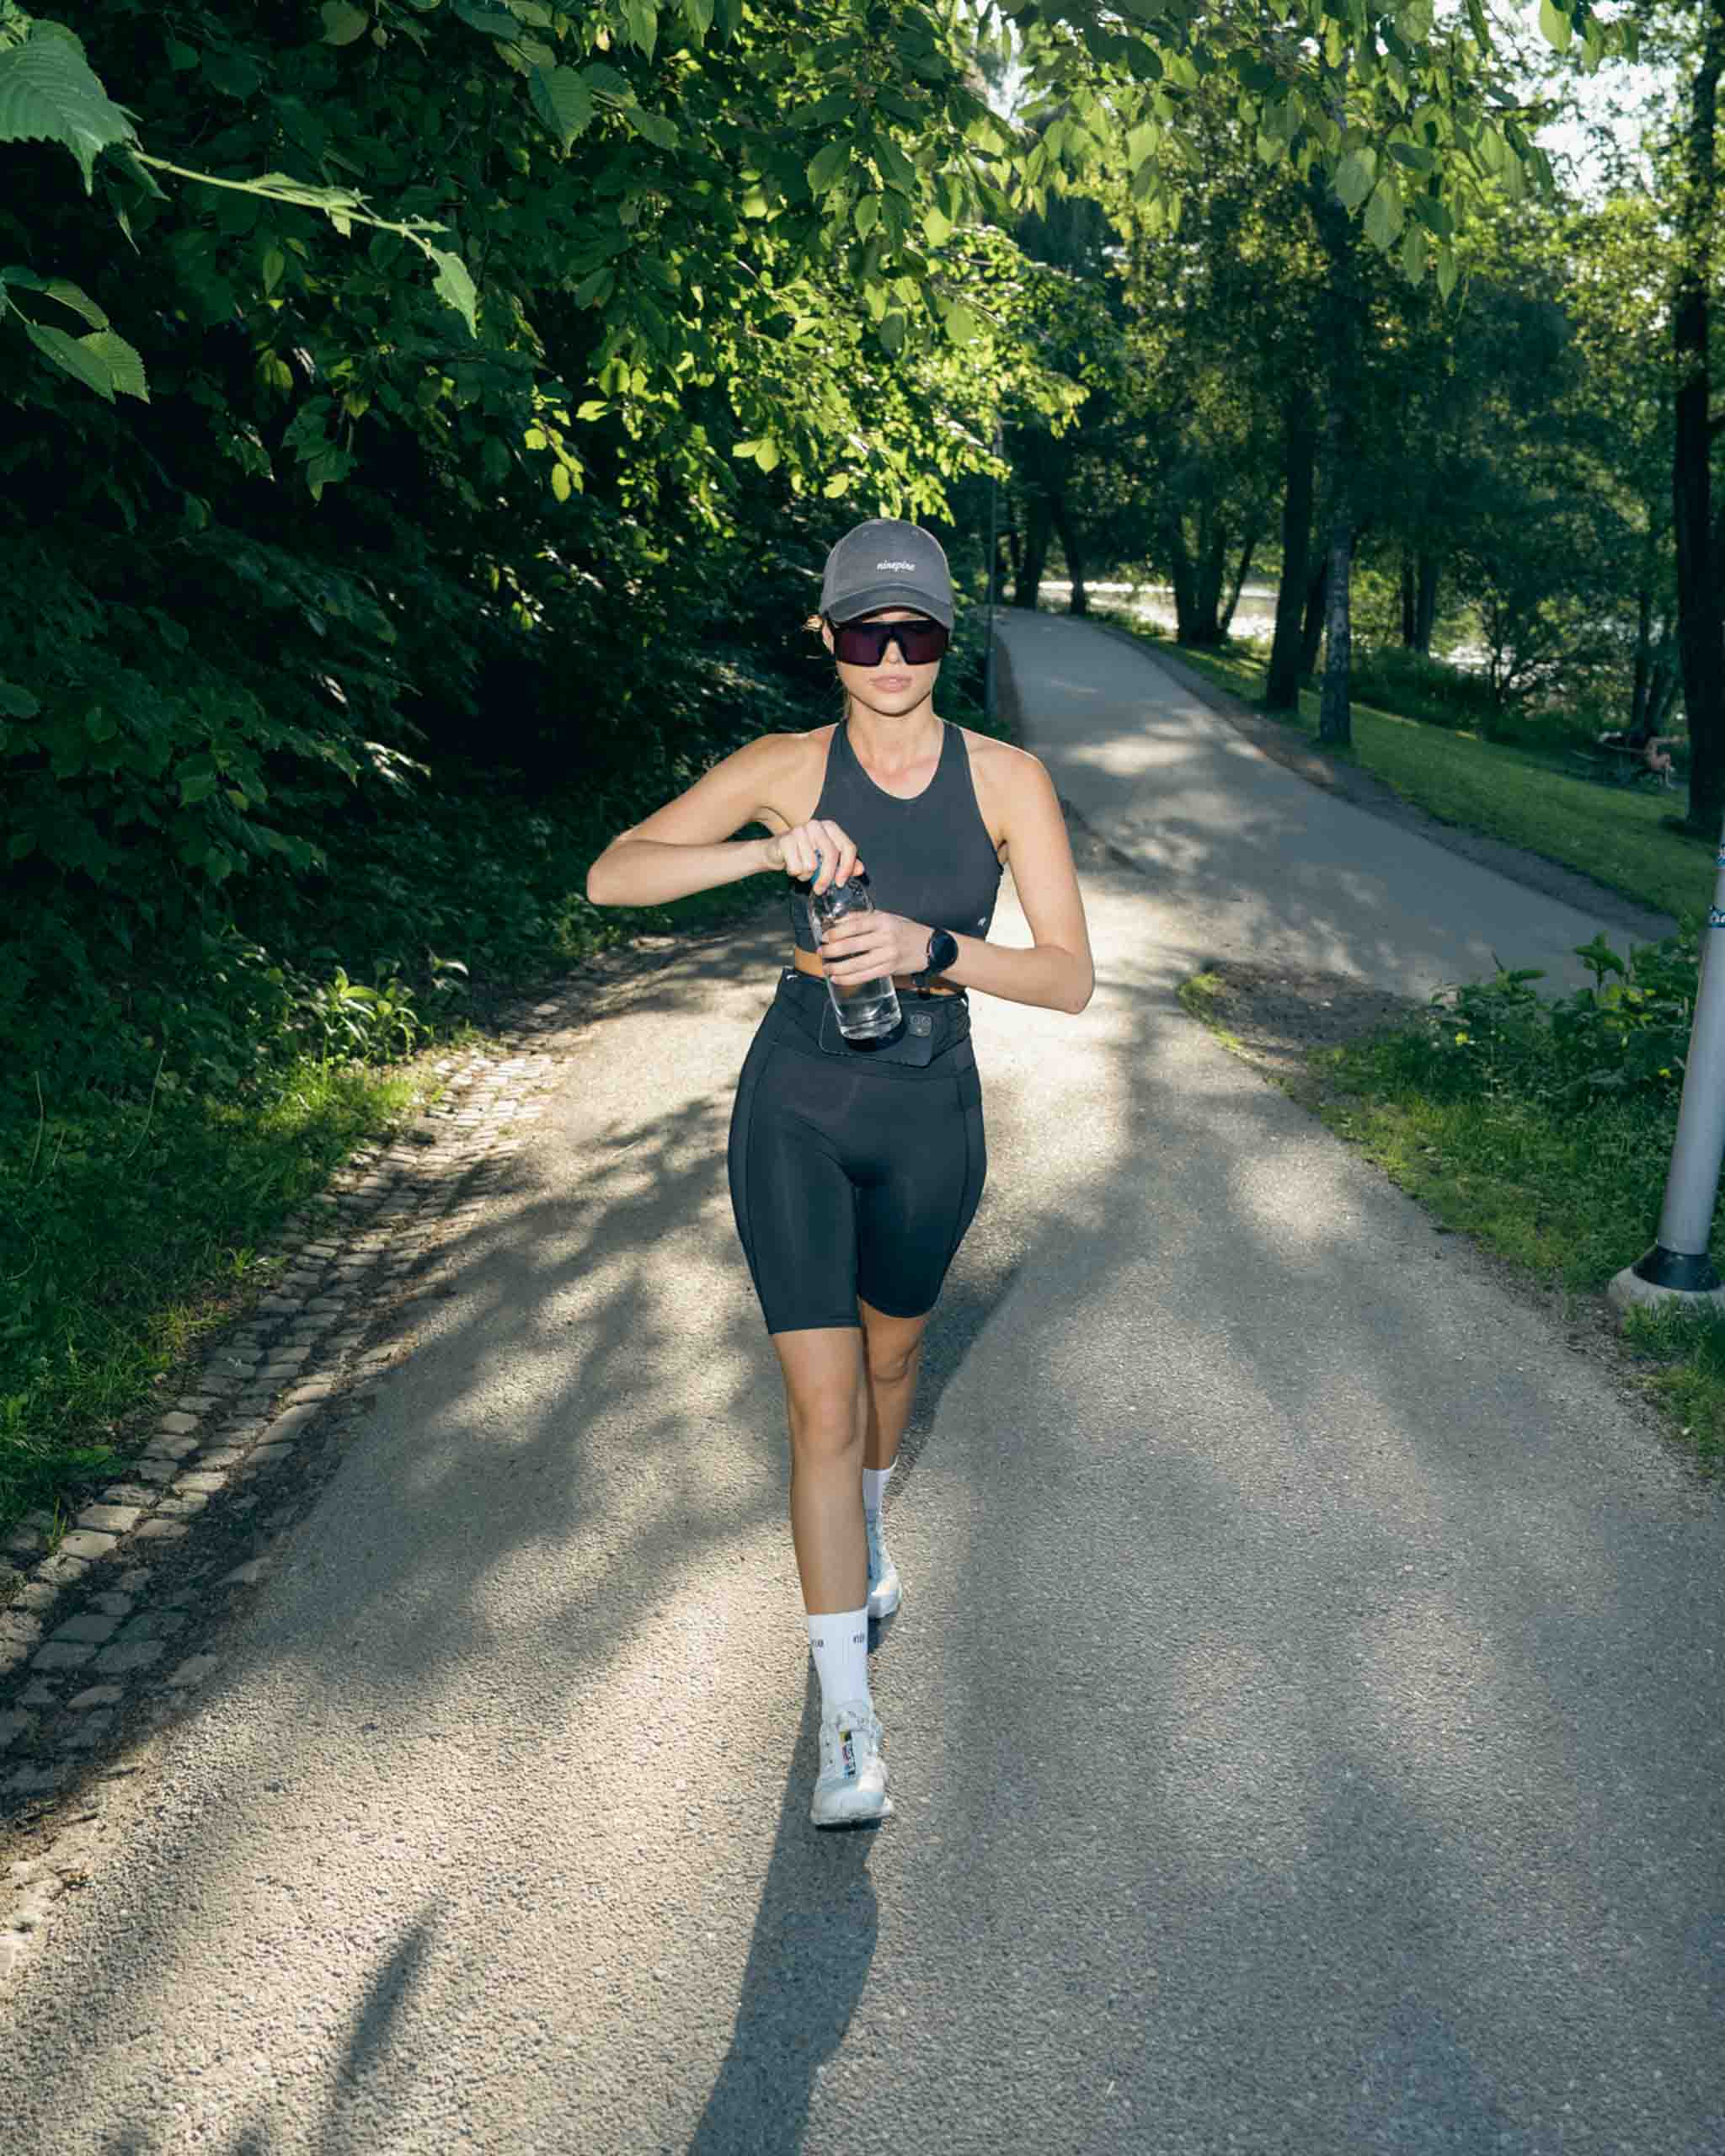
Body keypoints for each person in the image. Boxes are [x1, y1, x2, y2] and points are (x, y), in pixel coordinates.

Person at [585, 517, 1094, 1825]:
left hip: (932, 1104)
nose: (889, 657)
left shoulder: (1009, 783)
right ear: (828, 638)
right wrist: (765, 848)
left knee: (887, 1366)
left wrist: (936, 947)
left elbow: (1069, 979)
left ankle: (870, 1526)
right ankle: (849, 1729)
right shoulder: (778, 765)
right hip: (798, 1094)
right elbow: (613, 875)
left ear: (946, 639)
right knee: (819, 1402)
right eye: (863, 632)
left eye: (914, 633)